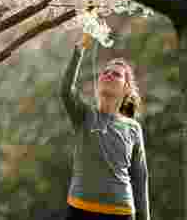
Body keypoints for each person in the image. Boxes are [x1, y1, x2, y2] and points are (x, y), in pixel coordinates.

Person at [60, 32, 150, 220]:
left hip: (121, 213)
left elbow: (140, 178)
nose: (109, 75)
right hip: (80, 209)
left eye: (116, 74)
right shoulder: (84, 115)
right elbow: (66, 91)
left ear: (126, 88)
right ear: (98, 81)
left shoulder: (133, 128)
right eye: (105, 72)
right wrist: (80, 48)